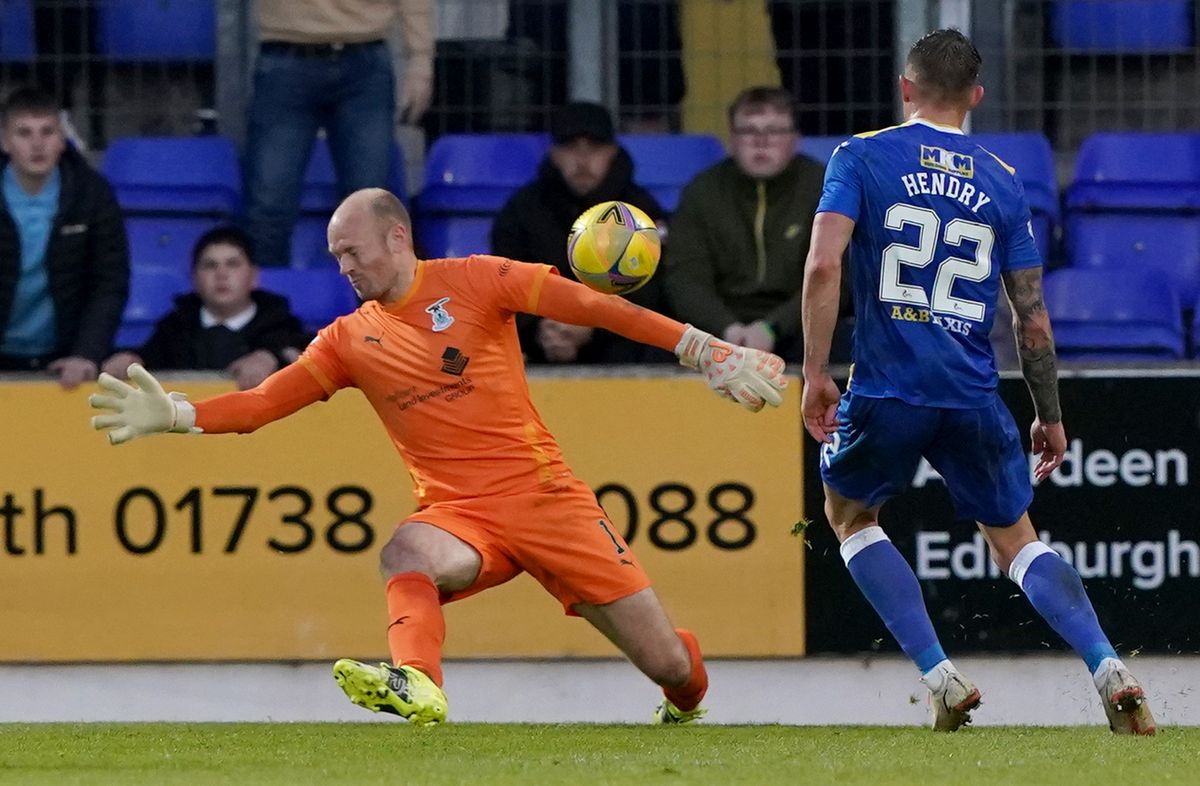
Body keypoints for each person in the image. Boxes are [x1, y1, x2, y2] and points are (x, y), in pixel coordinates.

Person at [90, 187, 787, 725]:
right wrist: (179, 415)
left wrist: (699, 348)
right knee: (405, 553)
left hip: (548, 501)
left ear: (397, 236)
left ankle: (685, 687)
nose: (344, 266)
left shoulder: (479, 280)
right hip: (461, 517)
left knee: (667, 663)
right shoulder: (344, 339)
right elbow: (264, 404)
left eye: (352, 250)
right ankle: (418, 682)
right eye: (335, 256)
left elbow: (592, 307)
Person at [800, 28, 1155, 735]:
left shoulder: (860, 155)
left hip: (887, 388)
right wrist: (1048, 412)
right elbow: (1033, 318)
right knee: (1017, 539)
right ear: (976, 97)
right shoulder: (999, 177)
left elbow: (820, 267)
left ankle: (941, 676)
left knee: (849, 518)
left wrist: (814, 372)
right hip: (972, 391)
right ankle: (1108, 665)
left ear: (906, 88)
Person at [244, 0, 434, 267]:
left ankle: (374, 308)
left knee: (371, 212)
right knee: (269, 209)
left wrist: (420, 61)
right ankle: (267, 306)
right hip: (287, 55)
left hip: (363, 60)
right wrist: (419, 59)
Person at [491, 101, 671, 364]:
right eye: (570, 147)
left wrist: (594, 326)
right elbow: (504, 284)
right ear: (553, 154)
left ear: (612, 152)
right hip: (541, 343)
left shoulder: (640, 210)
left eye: (594, 148)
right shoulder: (521, 211)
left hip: (620, 347)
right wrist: (540, 329)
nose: (582, 160)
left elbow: (653, 294)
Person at [663, 86, 827, 364]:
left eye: (774, 131)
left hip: (799, 326)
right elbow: (685, 277)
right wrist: (727, 328)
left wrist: (772, 328)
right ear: (732, 139)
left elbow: (836, 278)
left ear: (795, 139)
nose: (761, 142)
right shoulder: (702, 191)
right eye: (749, 131)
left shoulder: (823, 187)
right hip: (716, 328)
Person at [0, 86, 128, 389]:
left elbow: (109, 282)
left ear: (62, 139)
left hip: (67, 359)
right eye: (24, 133)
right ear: (5, 141)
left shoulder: (92, 194)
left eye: (47, 131)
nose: (37, 144)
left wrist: (86, 353)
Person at [101, 227, 312, 391]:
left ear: (254, 276)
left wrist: (274, 356)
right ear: (193, 279)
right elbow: (147, 359)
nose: (221, 274)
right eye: (210, 265)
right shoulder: (174, 329)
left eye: (233, 264)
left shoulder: (282, 326)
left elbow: (314, 358)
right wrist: (129, 360)